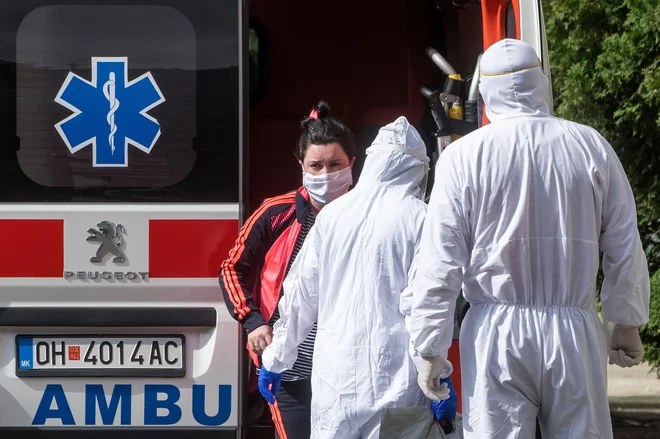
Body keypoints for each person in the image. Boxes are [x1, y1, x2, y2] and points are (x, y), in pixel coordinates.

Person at [407, 38, 651, 439]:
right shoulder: (590, 146)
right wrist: (625, 321)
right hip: (573, 332)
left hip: (494, 336)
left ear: (484, 89)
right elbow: (624, 242)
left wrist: (430, 346)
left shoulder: (462, 157)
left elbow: (440, 259)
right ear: (541, 81)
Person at [258, 116, 459, 439]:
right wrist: (435, 371)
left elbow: (300, 297)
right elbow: (426, 303)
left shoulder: (333, 216)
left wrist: (277, 358)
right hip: (396, 383)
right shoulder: (421, 218)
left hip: (334, 385)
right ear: (418, 167)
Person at [219, 100, 357, 439]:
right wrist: (252, 322)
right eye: (316, 165)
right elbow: (232, 268)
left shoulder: (368, 215)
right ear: (301, 165)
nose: (326, 175)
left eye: (335, 164)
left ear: (352, 163)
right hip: (288, 368)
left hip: (349, 367)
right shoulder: (275, 213)